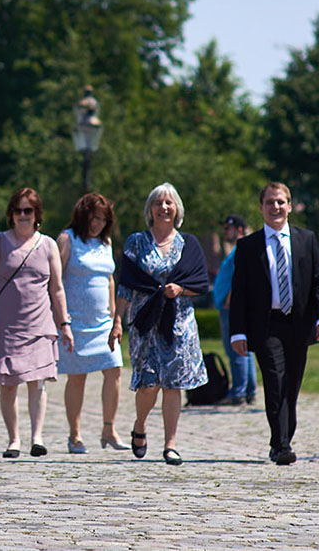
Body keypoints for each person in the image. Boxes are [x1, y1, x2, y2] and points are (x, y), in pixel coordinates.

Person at [0, 187, 74, 458]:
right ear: (11, 215)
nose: (23, 215)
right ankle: (14, 439)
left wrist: (65, 324)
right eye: (18, 210)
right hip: (6, 326)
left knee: (38, 382)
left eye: (29, 210)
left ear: (37, 215)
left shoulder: (47, 245)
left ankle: (37, 437)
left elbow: (57, 288)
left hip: (39, 324)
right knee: (9, 383)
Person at [230, 182, 319, 466]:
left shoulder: (306, 240)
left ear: (289, 206)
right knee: (275, 382)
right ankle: (281, 444)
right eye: (270, 202)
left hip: (299, 325)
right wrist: (237, 332)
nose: (275, 207)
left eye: (281, 202)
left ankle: (284, 437)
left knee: (291, 386)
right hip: (266, 326)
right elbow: (238, 293)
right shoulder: (248, 247)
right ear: (261, 207)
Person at [113, 182, 209, 467]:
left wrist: (180, 289)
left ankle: (170, 445)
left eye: (169, 202)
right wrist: (117, 320)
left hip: (179, 323)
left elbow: (199, 283)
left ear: (177, 209)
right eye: (158, 203)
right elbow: (126, 286)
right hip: (145, 322)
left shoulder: (188, 244)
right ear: (150, 210)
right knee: (148, 383)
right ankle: (140, 425)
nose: (164, 207)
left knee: (173, 384)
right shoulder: (136, 242)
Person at [57, 193, 128, 453]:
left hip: (103, 324)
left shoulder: (105, 243)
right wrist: (61, 319)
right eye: (93, 217)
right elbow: (55, 280)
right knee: (77, 378)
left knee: (114, 371)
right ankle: (75, 434)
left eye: (102, 219)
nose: (97, 223)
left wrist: (114, 318)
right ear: (82, 215)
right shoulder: (67, 239)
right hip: (74, 322)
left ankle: (108, 429)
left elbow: (110, 279)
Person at [213, 214, 257, 406]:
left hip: (231, 307)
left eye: (227, 228)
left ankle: (239, 391)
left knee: (236, 349)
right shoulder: (240, 249)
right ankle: (248, 390)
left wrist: (230, 301)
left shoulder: (241, 249)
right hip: (231, 306)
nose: (225, 232)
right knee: (245, 349)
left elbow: (240, 278)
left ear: (239, 229)